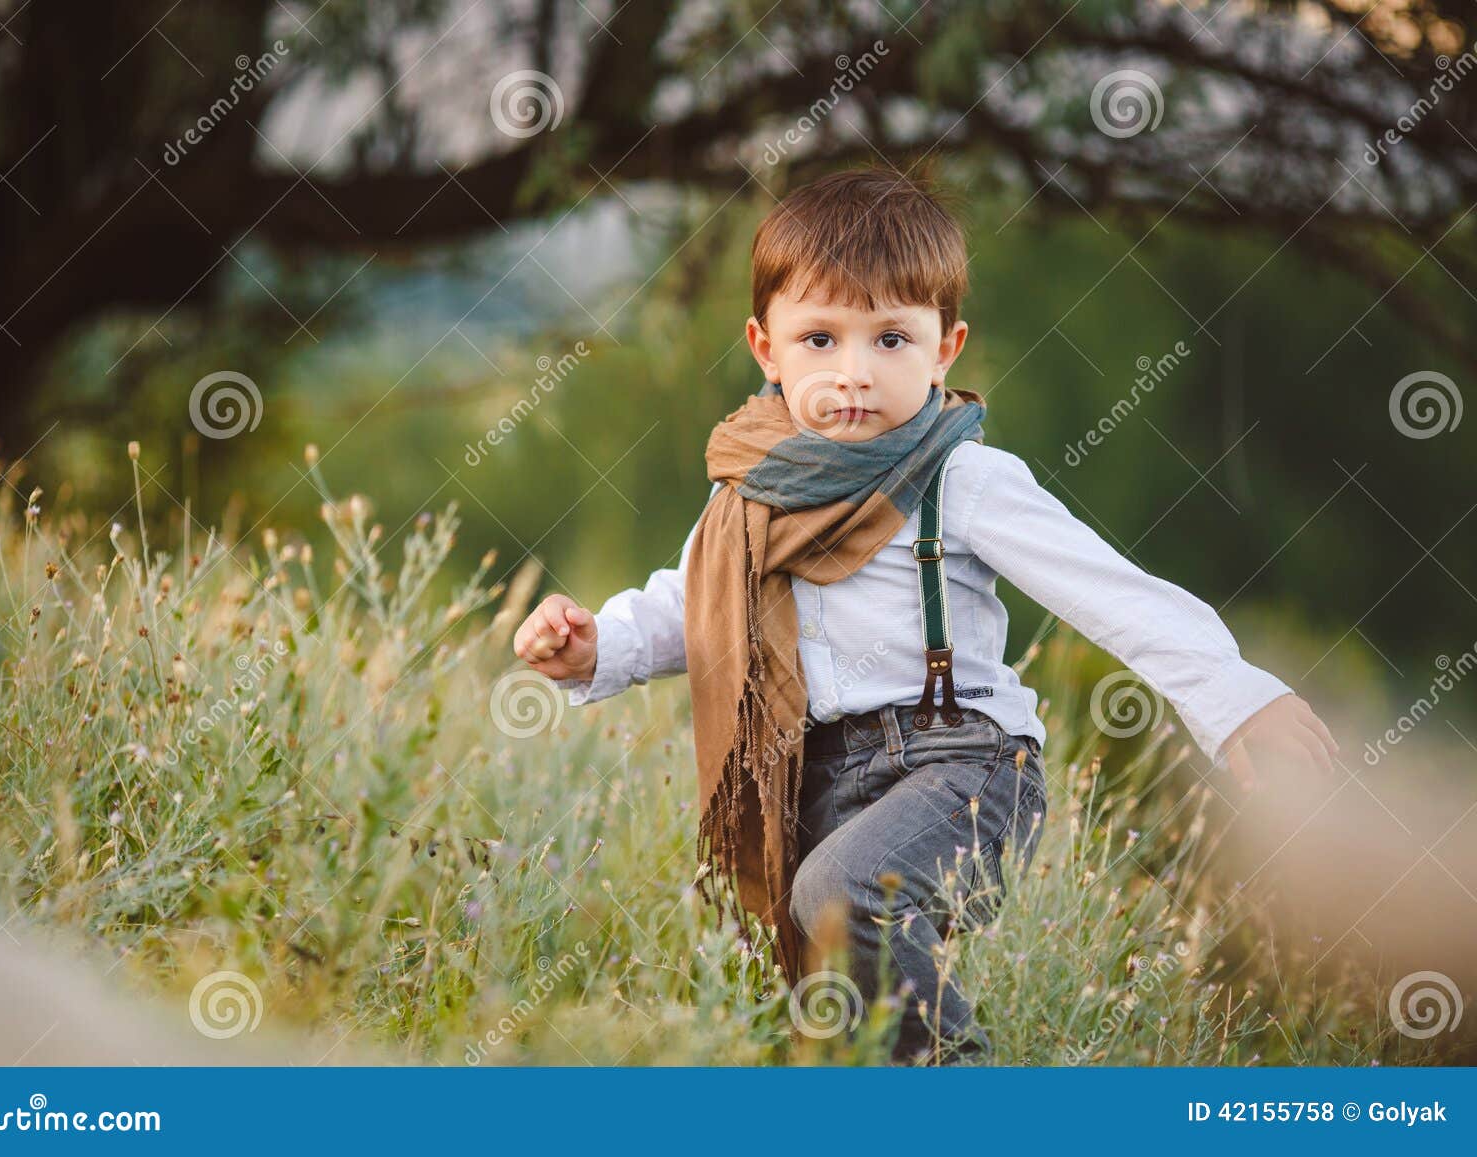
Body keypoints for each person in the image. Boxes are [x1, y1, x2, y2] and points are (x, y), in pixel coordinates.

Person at [511, 166, 1338, 1065]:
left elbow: (1107, 588)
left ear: (946, 348)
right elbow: (694, 607)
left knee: (841, 894)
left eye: (892, 339)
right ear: (765, 347)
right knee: (813, 994)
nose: (854, 374)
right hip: (819, 777)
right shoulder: (749, 492)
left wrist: (1232, 693)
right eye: (820, 338)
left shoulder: (962, 478)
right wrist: (600, 644)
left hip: (966, 767)